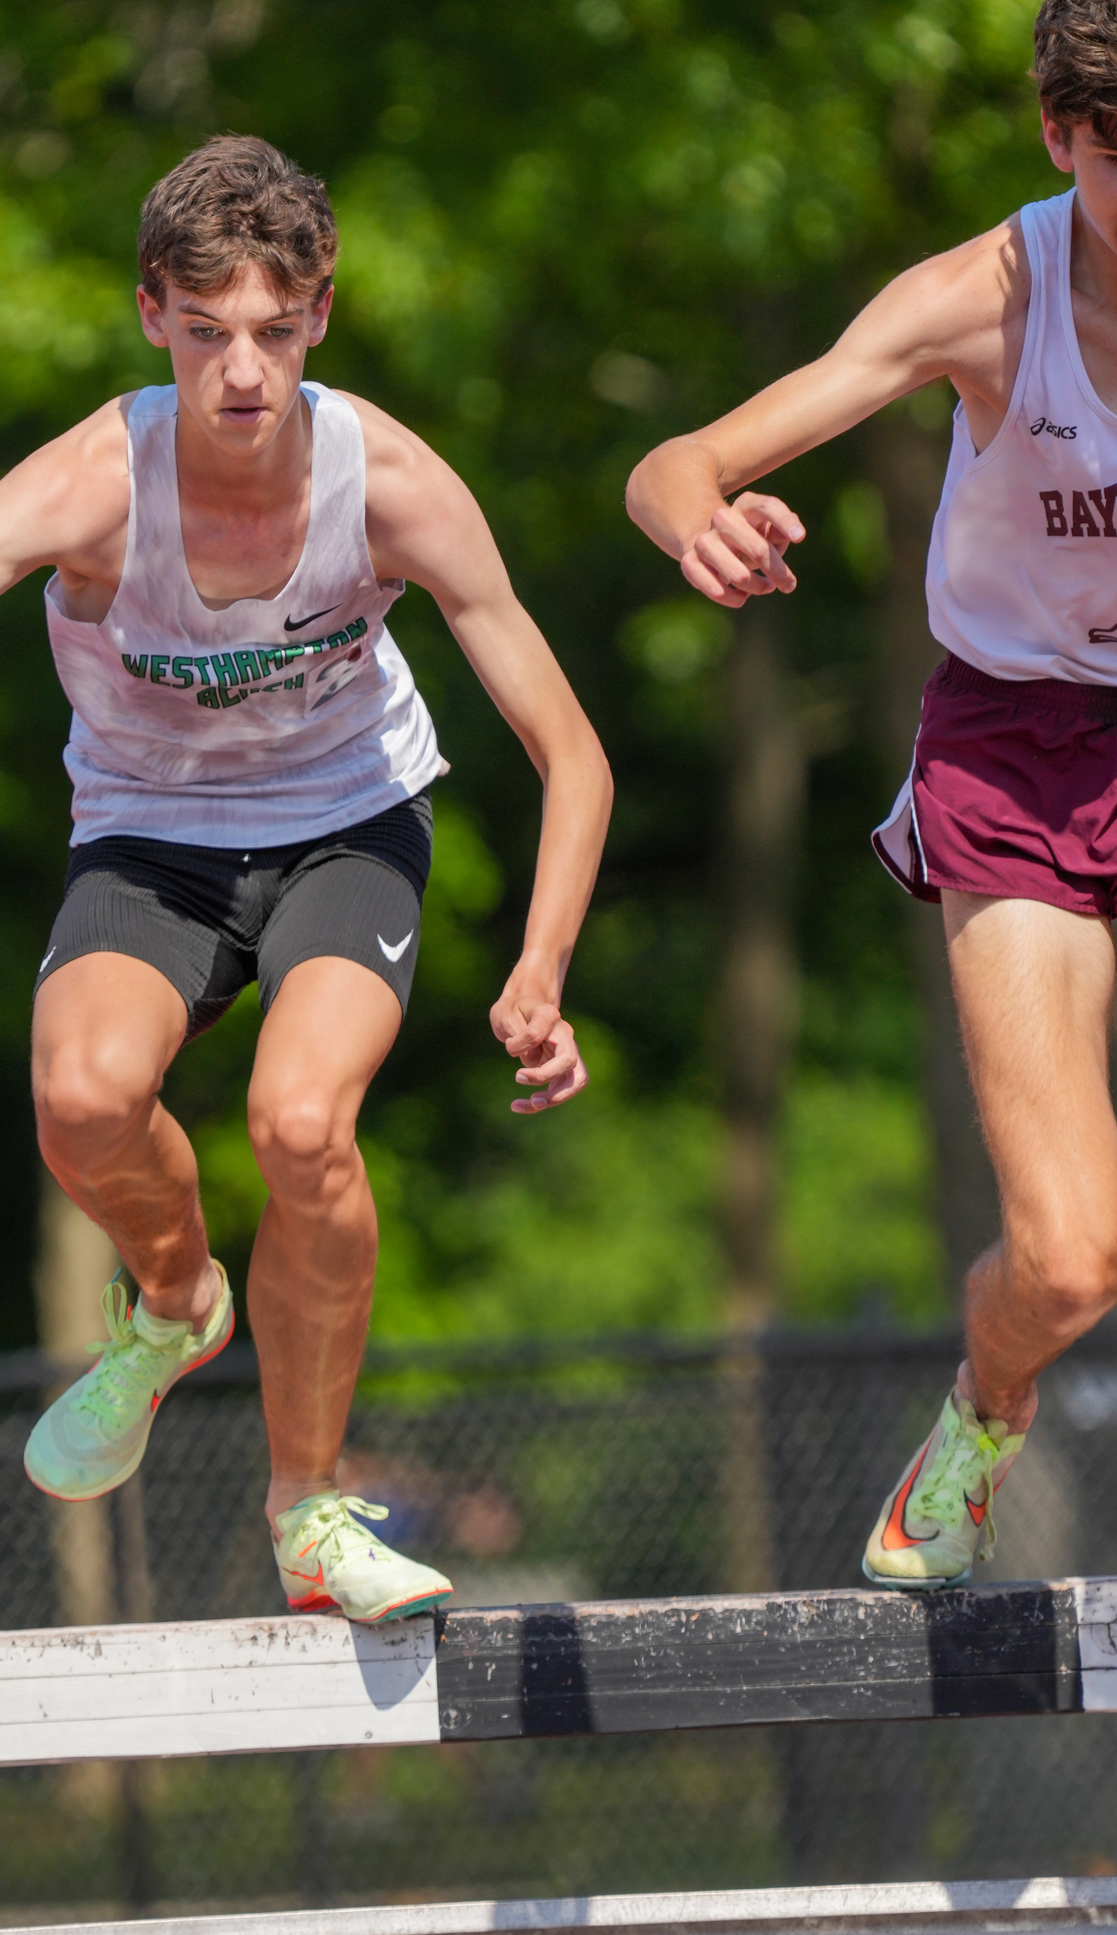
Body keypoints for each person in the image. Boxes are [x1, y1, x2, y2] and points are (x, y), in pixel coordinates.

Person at [0, 136, 612, 1625]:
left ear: (321, 320)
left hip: (346, 826)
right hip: (151, 837)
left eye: (277, 333)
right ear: (152, 314)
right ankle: (175, 1305)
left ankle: (309, 1511)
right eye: (210, 331)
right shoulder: (93, 485)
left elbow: (572, 751)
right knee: (85, 1099)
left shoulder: (396, 485)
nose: (245, 373)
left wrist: (541, 971)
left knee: (303, 1125)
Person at [626, 0, 1117, 1592]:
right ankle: (983, 1412)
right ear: (1061, 139)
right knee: (1067, 1256)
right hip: (1024, 756)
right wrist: (698, 520)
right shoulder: (986, 300)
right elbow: (677, 461)